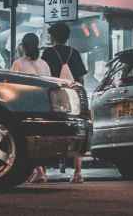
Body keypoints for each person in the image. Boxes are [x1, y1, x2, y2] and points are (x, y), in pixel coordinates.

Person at [41, 22, 88, 183]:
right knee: (76, 132)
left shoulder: (47, 53)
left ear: (53, 36)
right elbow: (81, 78)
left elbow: (44, 75)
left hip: (54, 96)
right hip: (72, 96)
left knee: (49, 132)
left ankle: (43, 172)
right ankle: (78, 172)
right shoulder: (74, 53)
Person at [10, 33, 48, 184]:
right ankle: (40, 171)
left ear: (23, 46)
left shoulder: (18, 64)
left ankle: (38, 171)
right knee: (39, 139)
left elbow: (11, 85)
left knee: (26, 139)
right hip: (44, 106)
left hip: (25, 106)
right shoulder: (44, 64)